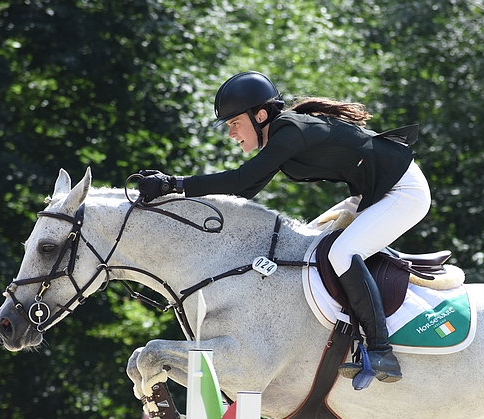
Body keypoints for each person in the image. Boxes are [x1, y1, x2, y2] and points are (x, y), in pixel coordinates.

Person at [137, 71, 432, 384]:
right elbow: (242, 191)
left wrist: (172, 184)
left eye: (234, 124)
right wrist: (176, 198)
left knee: (343, 253)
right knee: (315, 243)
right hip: (377, 191)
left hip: (403, 192)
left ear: (260, 115)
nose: (231, 134)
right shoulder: (283, 134)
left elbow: (239, 181)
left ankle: (381, 350)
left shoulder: (290, 131)